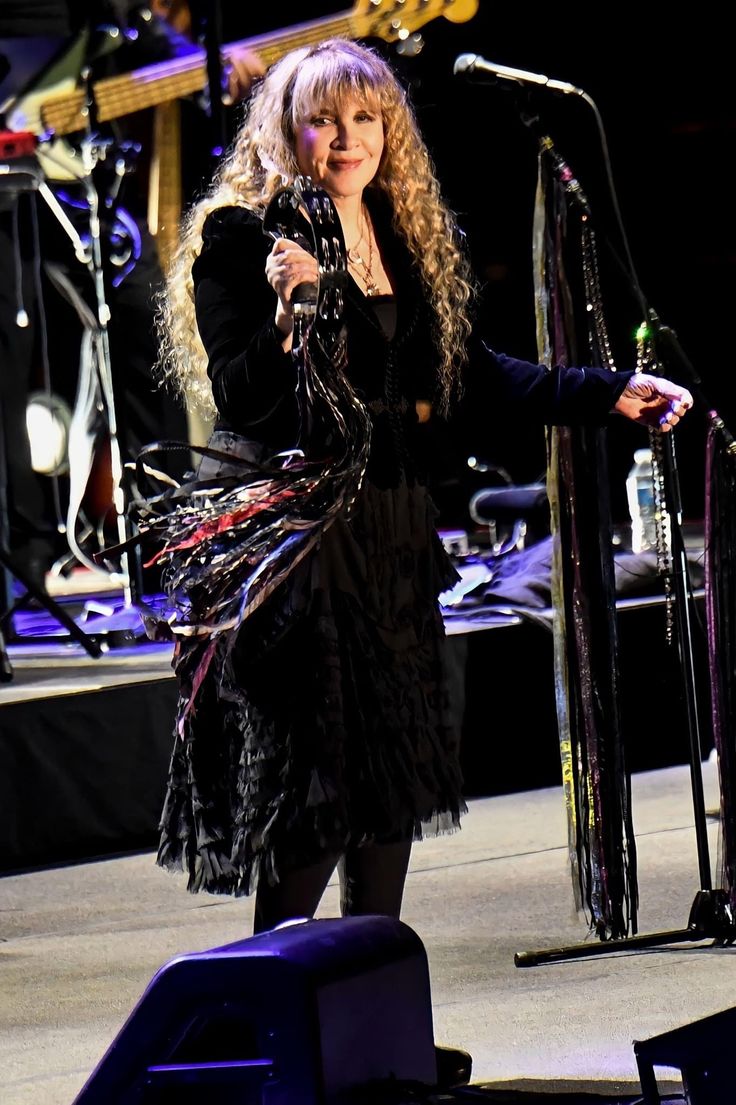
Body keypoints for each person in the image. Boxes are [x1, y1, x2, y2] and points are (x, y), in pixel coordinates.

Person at [152, 38, 692, 936]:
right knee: (316, 795)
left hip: (392, 530)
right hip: (301, 540)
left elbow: (472, 375)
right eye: (323, 119)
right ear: (287, 130)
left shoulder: (400, 236)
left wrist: (608, 392)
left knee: (390, 790)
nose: (345, 138)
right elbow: (244, 395)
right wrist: (296, 310)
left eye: (366, 119)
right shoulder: (244, 237)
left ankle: (377, 1033)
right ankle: (292, 1025)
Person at [0, 0, 262, 591]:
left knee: (152, 324)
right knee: (9, 360)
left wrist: (195, 62)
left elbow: (130, 15)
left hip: (70, 169)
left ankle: (164, 540)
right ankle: (26, 556)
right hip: (12, 173)